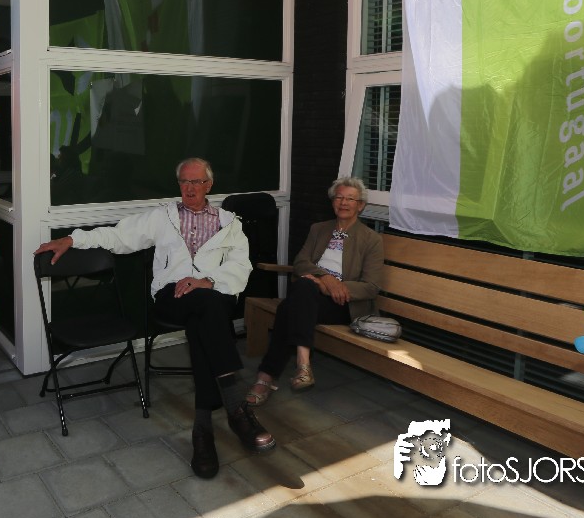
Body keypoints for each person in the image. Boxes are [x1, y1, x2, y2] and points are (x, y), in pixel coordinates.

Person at [35, 157, 274, 480]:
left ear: (209, 185)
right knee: (210, 311)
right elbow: (118, 237)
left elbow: (241, 266)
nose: (189, 188)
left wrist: (207, 281)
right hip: (171, 297)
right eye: (184, 182)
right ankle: (235, 408)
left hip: (211, 295)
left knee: (203, 318)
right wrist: (73, 239)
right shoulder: (163, 217)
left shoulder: (229, 223)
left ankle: (202, 430)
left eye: (196, 182)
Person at [247, 176, 384, 403]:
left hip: (342, 304)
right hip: (310, 296)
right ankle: (302, 364)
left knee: (289, 307)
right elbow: (301, 262)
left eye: (350, 199)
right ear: (332, 202)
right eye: (339, 197)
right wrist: (325, 278)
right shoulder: (319, 229)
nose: (343, 202)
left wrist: (331, 286)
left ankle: (266, 377)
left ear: (360, 205)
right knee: (301, 292)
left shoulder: (371, 239)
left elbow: (371, 287)